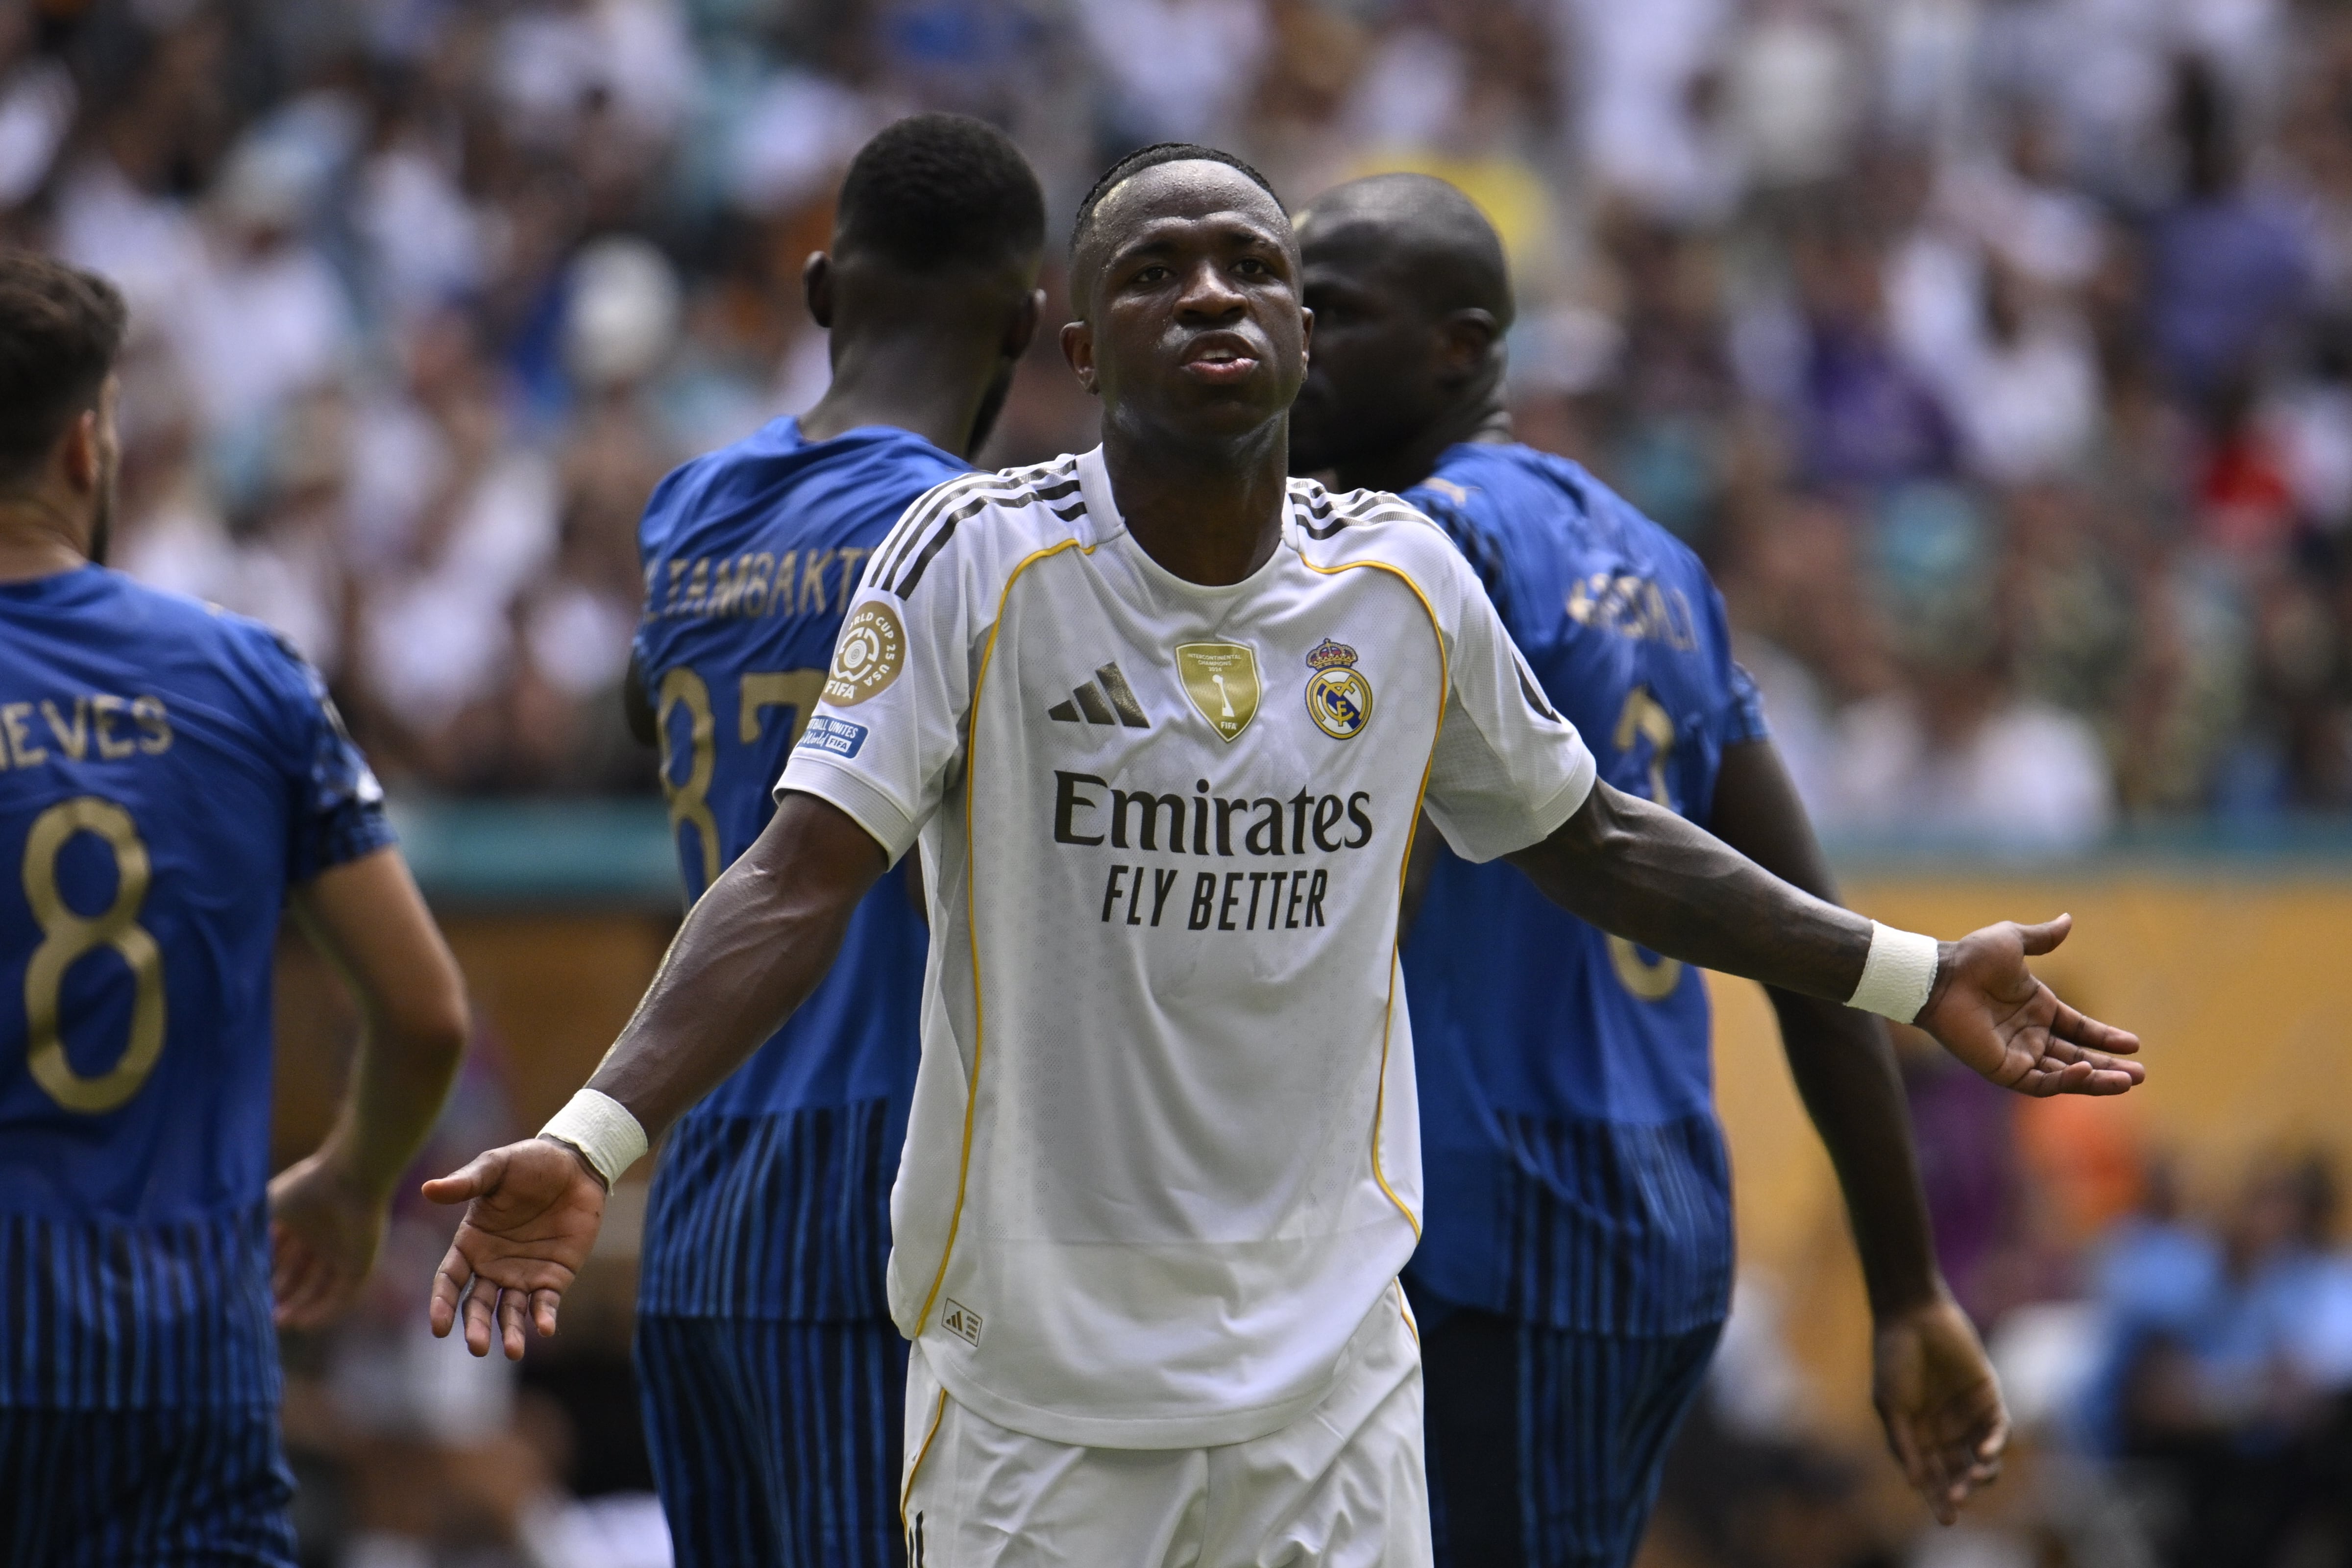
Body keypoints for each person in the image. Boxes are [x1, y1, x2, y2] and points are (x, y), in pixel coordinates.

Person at [423, 145, 2140, 1567]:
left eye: (1253, 265)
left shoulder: (1405, 583)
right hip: (1041, 1402)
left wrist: (1913, 975)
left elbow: (1598, 838)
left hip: (1332, 1395)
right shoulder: (966, 561)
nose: (1214, 293)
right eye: (1157, 270)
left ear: (1306, 337)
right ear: (1080, 348)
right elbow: (796, 875)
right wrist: (594, 1135)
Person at [1285, 172, 2006, 1567]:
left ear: (1463, 342)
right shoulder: (1656, 561)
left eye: (1335, 312)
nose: (1292, 344)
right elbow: (1811, 937)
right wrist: (1907, 1286)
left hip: (1488, 1220)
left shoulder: (1421, 550)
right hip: (1656, 1213)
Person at [622, 113, 1045, 1568]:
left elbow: (644, 720)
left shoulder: (689, 515)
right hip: (886, 1198)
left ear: (819, 291)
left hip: (698, 1186)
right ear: (1031, 323)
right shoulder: (978, 539)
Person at [0, 252, 468, 1562]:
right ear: (89, 449)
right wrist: (354, 1179)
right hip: (179, 1355)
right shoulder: (245, 675)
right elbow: (426, 1012)